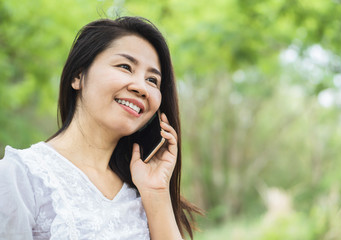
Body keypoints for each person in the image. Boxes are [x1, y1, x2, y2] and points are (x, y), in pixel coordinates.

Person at [0, 16, 201, 240]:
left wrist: (157, 193)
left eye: (152, 80)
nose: (142, 87)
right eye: (125, 67)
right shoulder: (21, 177)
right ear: (78, 76)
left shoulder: (142, 189)